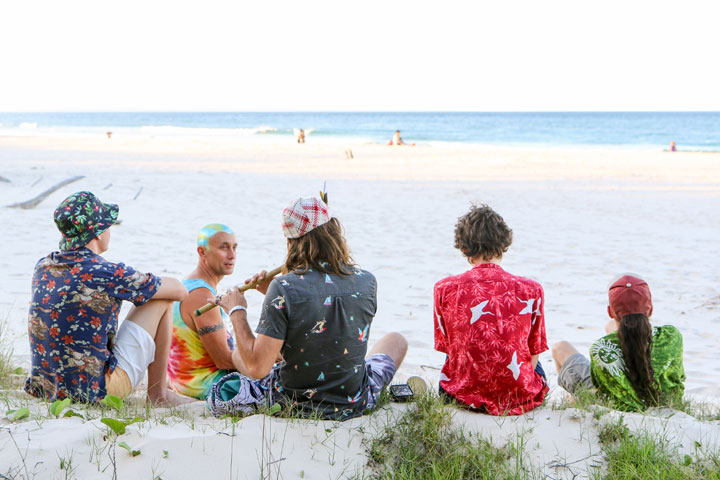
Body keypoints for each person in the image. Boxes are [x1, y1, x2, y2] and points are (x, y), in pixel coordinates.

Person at [207, 197, 408, 420]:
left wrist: (237, 310)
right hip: (354, 401)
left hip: (294, 404)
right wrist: (274, 297)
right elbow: (326, 333)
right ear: (333, 231)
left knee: (239, 355)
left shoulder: (284, 287)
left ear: (291, 242)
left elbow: (257, 367)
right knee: (396, 340)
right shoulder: (367, 281)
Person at [25, 191, 192, 406]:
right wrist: (145, 283)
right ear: (97, 233)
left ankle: (159, 392)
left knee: (148, 294)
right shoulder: (105, 272)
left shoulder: (43, 266)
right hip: (96, 392)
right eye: (107, 225)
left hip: (48, 389)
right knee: (161, 298)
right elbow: (179, 290)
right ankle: (160, 394)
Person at [433, 204, 548, 415]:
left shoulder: (444, 288)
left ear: (464, 248)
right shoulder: (532, 289)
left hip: (461, 394)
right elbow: (534, 351)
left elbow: (448, 347)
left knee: (455, 356)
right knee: (532, 359)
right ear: (503, 244)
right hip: (516, 394)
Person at [552, 274, 685, 411]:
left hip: (616, 406)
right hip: (661, 401)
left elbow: (598, 389)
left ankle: (572, 401)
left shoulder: (600, 348)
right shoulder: (672, 335)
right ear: (650, 309)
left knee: (560, 347)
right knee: (611, 327)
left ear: (610, 311)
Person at [167, 224, 250, 399]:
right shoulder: (202, 296)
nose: (232, 255)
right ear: (202, 252)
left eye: (234, 247)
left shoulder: (190, 284)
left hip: (186, 383)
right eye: (224, 247)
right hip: (210, 387)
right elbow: (224, 360)